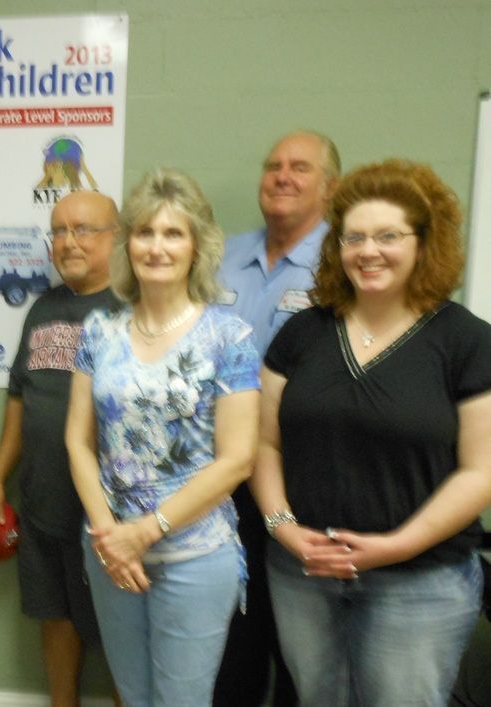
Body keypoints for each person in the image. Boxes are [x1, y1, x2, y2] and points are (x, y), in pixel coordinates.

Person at [250, 159, 491, 707]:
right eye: (353, 237)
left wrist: (394, 546)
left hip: (419, 582)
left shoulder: (468, 342)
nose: (367, 251)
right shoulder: (302, 333)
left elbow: (482, 471)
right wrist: (284, 528)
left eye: (388, 236)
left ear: (424, 243)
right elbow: (264, 443)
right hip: (302, 572)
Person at [66, 169, 260, 707]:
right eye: (146, 232)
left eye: (174, 233)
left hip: (194, 558)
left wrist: (145, 531)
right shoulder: (99, 331)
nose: (158, 247)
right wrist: (109, 534)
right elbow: (79, 442)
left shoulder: (229, 338)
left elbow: (238, 460)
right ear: (129, 244)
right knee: (131, 694)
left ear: (197, 245)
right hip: (110, 553)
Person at [214, 129, 341, 706]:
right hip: (218, 475)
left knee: (300, 639)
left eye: (300, 167)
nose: (282, 176)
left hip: (302, 475)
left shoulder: (345, 265)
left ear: (331, 187)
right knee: (234, 630)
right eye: (273, 166)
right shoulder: (220, 256)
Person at [0, 190, 119, 707]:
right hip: (42, 501)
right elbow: (20, 395)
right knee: (54, 615)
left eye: (83, 229)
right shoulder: (42, 308)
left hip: (105, 511)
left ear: (114, 237)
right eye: (59, 231)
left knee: (116, 630)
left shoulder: (131, 308)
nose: (68, 242)